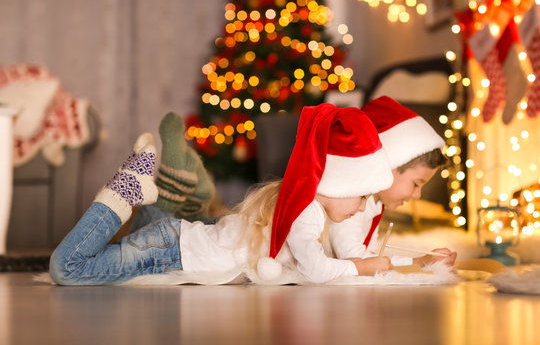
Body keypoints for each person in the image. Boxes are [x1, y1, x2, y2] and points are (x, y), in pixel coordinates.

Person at [49, 103, 395, 286]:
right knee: (69, 268)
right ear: (334, 184)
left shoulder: (301, 204)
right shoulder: (306, 213)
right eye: (361, 195)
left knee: (131, 243)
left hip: (173, 242)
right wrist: (360, 267)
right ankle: (126, 188)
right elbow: (318, 270)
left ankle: (175, 184)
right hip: (170, 251)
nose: (365, 206)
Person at [329, 96, 457, 267]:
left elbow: (373, 257)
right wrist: (417, 263)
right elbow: (357, 261)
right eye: (416, 184)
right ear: (389, 166)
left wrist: (422, 261)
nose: (417, 195)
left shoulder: (374, 203)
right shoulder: (349, 203)